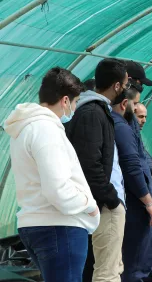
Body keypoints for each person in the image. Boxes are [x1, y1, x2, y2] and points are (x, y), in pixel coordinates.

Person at [5, 68, 99, 282]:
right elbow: (58, 189)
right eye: (75, 103)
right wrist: (89, 205)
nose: (74, 109)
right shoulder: (46, 130)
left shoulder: (25, 127)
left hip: (37, 223)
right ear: (65, 100)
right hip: (59, 226)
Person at [65, 58, 128, 282]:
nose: (127, 91)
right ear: (117, 86)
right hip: (103, 204)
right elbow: (89, 163)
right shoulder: (92, 113)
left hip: (101, 202)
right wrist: (111, 199)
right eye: (126, 84)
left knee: (110, 268)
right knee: (107, 273)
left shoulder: (93, 110)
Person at [111, 87, 152, 282]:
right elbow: (132, 166)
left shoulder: (126, 126)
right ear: (125, 103)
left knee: (150, 245)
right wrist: (148, 201)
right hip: (134, 201)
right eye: (136, 103)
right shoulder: (121, 127)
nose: (143, 120)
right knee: (135, 260)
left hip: (138, 199)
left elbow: (141, 159)